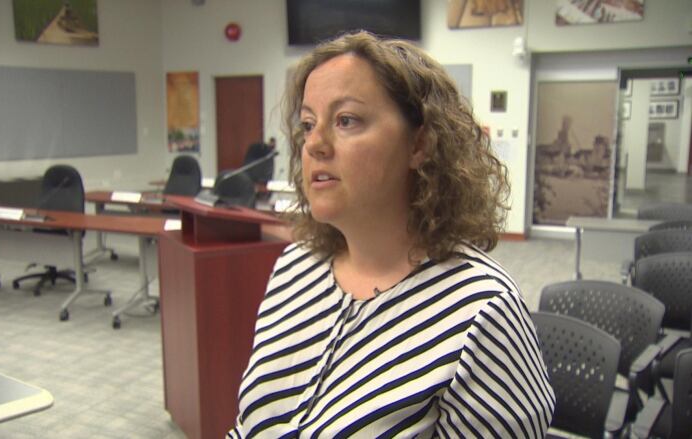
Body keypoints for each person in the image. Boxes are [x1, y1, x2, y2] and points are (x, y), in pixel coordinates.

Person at [228, 31, 554, 438]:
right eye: (308, 124)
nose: (314, 144)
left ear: (420, 144)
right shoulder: (294, 267)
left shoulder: (482, 313)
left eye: (346, 120)